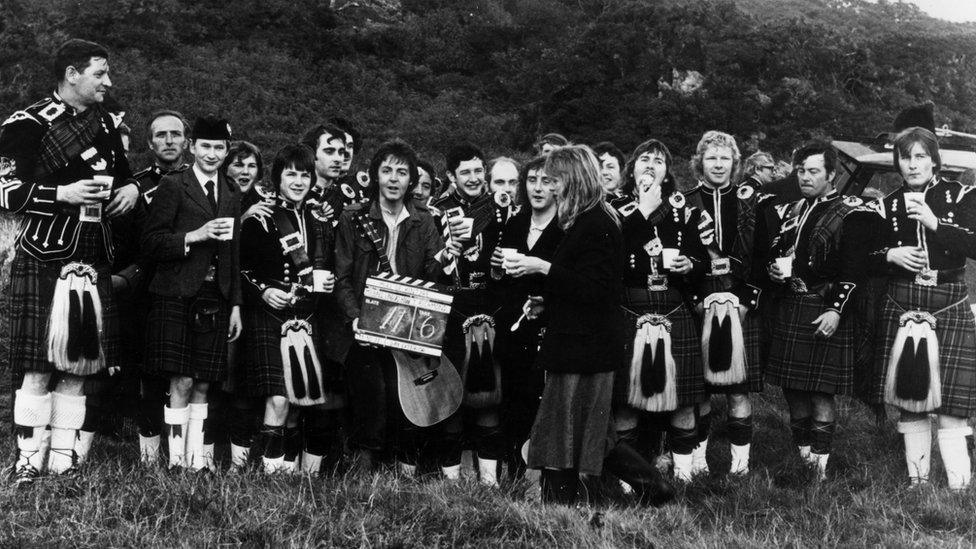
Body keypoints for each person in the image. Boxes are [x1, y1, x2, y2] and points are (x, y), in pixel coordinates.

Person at [505, 145, 673, 506]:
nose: (550, 188)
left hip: (586, 345)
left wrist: (543, 269)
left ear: (572, 180)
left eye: (555, 180)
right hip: (577, 341)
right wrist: (545, 300)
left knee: (566, 427)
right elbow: (578, 280)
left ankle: (565, 504)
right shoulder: (582, 218)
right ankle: (650, 487)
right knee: (583, 429)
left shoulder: (595, 222)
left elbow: (598, 289)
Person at [1, 38, 135, 485]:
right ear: (72, 74)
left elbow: (123, 174)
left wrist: (130, 189)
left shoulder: (107, 123)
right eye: (100, 73)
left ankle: (62, 461)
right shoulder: (26, 124)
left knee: (78, 365)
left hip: (93, 251)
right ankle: (26, 462)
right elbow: (3, 190)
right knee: (38, 365)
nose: (108, 81)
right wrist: (61, 194)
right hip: (44, 253)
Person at [335, 139, 457, 474]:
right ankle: (362, 472)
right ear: (375, 175)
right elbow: (342, 277)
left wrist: (445, 259)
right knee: (370, 390)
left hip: (407, 328)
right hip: (365, 326)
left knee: (407, 398)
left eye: (401, 172)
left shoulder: (425, 222)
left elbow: (433, 275)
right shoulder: (354, 218)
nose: (393, 178)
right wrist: (354, 318)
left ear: (411, 180)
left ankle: (404, 473)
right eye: (386, 170)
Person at [870, 127, 976, 490]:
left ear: (933, 159)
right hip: (903, 300)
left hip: (949, 301)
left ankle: (960, 488)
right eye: (905, 157)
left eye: (919, 156)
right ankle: (919, 482)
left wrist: (935, 223)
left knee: (953, 403)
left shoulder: (962, 194)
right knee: (910, 397)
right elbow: (860, 258)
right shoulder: (885, 203)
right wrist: (888, 254)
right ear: (897, 161)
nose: (912, 165)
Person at [760, 140, 871, 480]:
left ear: (832, 175)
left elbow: (854, 271)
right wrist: (774, 271)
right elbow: (779, 252)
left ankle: (819, 470)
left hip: (825, 307)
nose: (805, 177)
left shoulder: (852, 212)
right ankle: (803, 458)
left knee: (821, 392)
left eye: (813, 171)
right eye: (800, 171)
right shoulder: (794, 209)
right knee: (792, 390)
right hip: (792, 303)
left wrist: (837, 310)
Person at [141, 115, 243, 472]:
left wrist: (236, 305)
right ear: (192, 147)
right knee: (181, 379)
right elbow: (151, 243)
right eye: (206, 147)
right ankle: (176, 461)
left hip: (216, 295)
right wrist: (194, 236)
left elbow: (234, 254)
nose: (212, 154)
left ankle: (198, 461)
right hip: (176, 292)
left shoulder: (232, 192)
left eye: (219, 148)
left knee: (203, 381)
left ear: (227, 151)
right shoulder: (173, 185)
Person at [614, 139, 714, 482]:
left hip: (673, 306)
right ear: (632, 168)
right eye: (645, 159)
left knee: (684, 399)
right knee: (626, 400)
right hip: (630, 305)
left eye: (659, 161)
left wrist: (691, 264)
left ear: (667, 171)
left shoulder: (684, 208)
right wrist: (642, 208)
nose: (651, 165)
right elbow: (611, 254)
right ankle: (629, 481)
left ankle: (684, 477)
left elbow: (704, 260)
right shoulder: (615, 207)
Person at [239, 144, 342, 474]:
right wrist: (264, 291)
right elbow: (240, 270)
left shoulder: (321, 220)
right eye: (291, 173)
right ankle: (270, 478)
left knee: (299, 401)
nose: (298, 181)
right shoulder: (262, 218)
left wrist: (327, 283)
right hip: (270, 314)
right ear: (277, 177)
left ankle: (289, 473)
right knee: (279, 400)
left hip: (309, 316)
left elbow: (333, 267)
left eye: (304, 174)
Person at [108, 109, 192, 466]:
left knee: (189, 374)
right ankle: (147, 455)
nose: (169, 141)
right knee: (148, 373)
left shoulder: (205, 182)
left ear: (187, 141)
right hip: (145, 290)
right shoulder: (136, 186)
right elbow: (124, 242)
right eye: (161, 135)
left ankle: (189, 452)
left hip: (190, 285)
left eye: (176, 134)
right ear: (149, 143)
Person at [430, 143, 515, 485]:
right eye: (465, 172)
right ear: (451, 176)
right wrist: (446, 253)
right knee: (451, 396)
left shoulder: (501, 207)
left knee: (488, 397)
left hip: (490, 309)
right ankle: (451, 482)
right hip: (451, 310)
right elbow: (430, 269)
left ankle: (489, 481)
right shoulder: (437, 212)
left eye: (479, 171)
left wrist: (500, 268)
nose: (474, 178)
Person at [682, 131, 765, 478]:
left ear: (736, 163)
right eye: (711, 157)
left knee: (738, 389)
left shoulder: (753, 201)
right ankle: (698, 462)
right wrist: (697, 302)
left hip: (741, 301)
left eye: (725, 158)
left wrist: (747, 301)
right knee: (699, 389)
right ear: (700, 162)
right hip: (698, 304)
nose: (718, 164)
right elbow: (681, 259)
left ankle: (740, 466)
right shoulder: (684, 204)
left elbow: (764, 256)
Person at [488, 155, 564, 480]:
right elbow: (499, 280)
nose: (537, 187)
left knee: (544, 406)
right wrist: (494, 267)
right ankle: (513, 475)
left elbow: (571, 281)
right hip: (513, 330)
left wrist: (547, 298)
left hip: (549, 331)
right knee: (513, 403)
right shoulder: (515, 223)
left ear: (558, 186)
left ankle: (541, 480)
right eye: (532, 180)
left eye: (546, 181)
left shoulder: (566, 227)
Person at [593, 141, 627, 206]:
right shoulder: (586, 205)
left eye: (610, 167)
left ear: (621, 171)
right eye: (599, 168)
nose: (604, 172)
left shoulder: (629, 201)